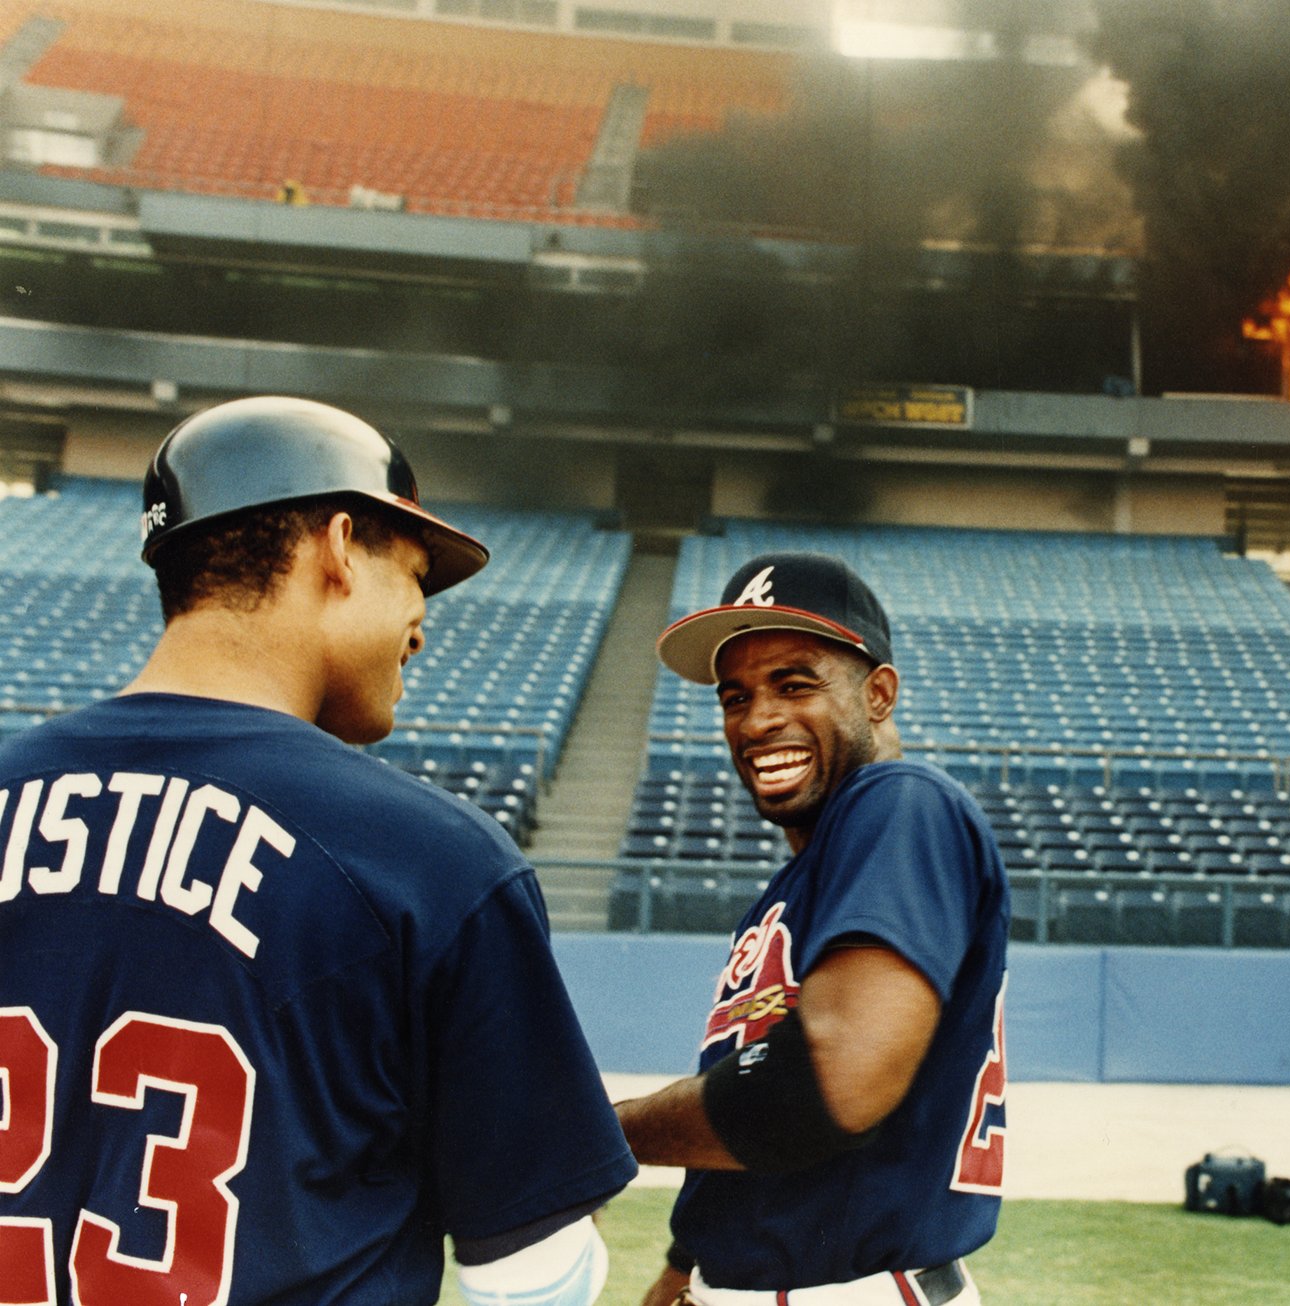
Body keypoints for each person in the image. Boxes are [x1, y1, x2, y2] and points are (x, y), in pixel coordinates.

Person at [0, 397, 636, 1304]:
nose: (423, 620)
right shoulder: (430, 859)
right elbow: (537, 1273)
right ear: (339, 546)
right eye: (416, 575)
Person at [616, 552, 1011, 1306]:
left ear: (879, 695)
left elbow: (827, 1083)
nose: (758, 719)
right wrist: (684, 1263)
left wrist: (603, 1138)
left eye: (795, 684)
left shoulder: (903, 803)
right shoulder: (796, 884)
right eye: (735, 697)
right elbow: (751, 1095)